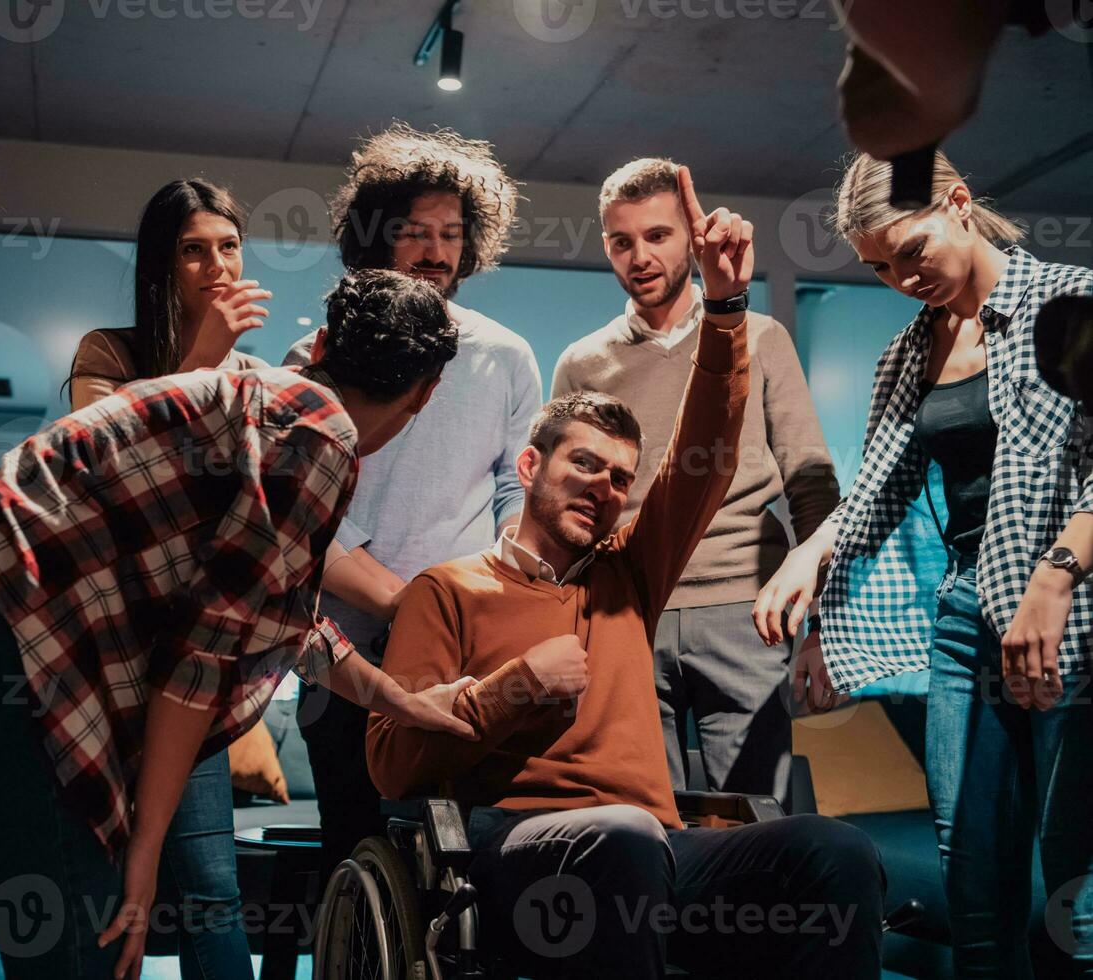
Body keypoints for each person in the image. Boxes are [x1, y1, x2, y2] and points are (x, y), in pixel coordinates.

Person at [368, 170, 885, 979]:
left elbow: (697, 460)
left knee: (833, 852)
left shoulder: (625, 574)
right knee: (626, 840)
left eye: (620, 477)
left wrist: (723, 310)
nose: (604, 488)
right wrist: (511, 688)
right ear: (530, 465)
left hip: (653, 844)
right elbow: (395, 761)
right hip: (520, 841)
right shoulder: (449, 589)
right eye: (584, 464)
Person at [0, 269, 479, 979]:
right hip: (7, 642)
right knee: (89, 949)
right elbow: (200, 659)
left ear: (325, 341)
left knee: (81, 942)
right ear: (425, 392)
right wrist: (146, 855)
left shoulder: (269, 397)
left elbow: (290, 618)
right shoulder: (318, 434)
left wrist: (400, 701)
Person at [754, 150, 1093, 976]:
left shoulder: (1068, 302)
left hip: (1076, 609)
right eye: (880, 268)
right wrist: (809, 554)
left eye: (913, 252)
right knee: (973, 865)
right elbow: (873, 493)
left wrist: (1054, 577)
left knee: (1073, 864)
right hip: (965, 614)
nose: (903, 279)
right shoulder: (906, 356)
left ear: (961, 206)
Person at [283, 122, 543, 878]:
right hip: (344, 650)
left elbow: (515, 481)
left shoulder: (505, 354)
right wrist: (404, 602)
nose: (435, 251)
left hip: (465, 643)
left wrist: (496, 584)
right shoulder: (318, 356)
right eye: (415, 233)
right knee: (356, 856)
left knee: (462, 864)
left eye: (451, 235)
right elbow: (305, 513)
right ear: (377, 238)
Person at [553, 157, 838, 803]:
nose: (640, 256)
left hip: (748, 610)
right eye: (622, 241)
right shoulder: (582, 362)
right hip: (628, 612)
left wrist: (825, 626)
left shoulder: (760, 338)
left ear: (692, 235)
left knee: (755, 824)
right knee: (639, 822)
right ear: (606, 245)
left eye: (658, 236)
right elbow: (569, 509)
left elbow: (813, 486)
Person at [66, 177, 272, 980]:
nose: (215, 265)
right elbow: (97, 476)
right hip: (96, 661)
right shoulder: (106, 353)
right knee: (98, 887)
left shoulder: (255, 375)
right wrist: (202, 359)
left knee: (212, 892)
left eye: (228, 246)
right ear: (162, 265)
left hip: (190, 664)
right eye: (193, 250)